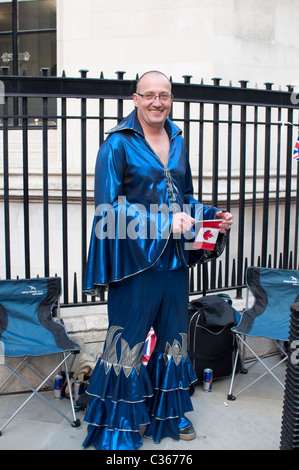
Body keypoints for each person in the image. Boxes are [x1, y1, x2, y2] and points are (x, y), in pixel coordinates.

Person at [82, 71, 233, 450]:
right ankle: (118, 426)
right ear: (135, 98)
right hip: (135, 263)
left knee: (174, 339)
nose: (157, 102)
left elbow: (186, 195)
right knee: (127, 341)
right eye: (149, 95)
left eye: (163, 95)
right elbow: (107, 209)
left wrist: (212, 215)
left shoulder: (178, 139)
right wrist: (164, 221)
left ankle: (167, 413)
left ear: (170, 98)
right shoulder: (116, 145)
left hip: (174, 262)